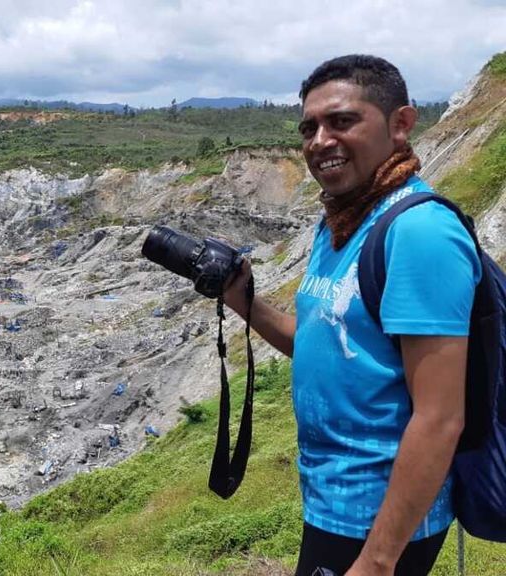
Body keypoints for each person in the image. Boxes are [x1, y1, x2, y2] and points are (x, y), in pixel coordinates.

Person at [223, 54, 480, 575]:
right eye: (309, 128)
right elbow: (321, 343)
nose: (320, 141)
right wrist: (242, 300)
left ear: (401, 124)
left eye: (342, 121)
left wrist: (379, 561)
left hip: (380, 522)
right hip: (333, 505)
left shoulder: (419, 233)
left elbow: (440, 417)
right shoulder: (339, 223)